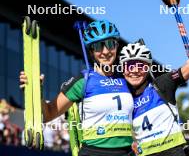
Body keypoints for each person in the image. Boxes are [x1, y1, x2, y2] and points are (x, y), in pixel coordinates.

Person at [20, 20, 135, 156]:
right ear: (91, 52)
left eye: (110, 44)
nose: (105, 51)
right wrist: (36, 91)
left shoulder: (127, 79)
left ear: (116, 46)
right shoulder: (82, 81)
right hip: (94, 152)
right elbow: (49, 114)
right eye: (98, 46)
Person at [119, 8, 189, 156]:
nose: (134, 70)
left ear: (147, 67)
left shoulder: (162, 84)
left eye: (140, 65)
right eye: (129, 65)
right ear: (123, 69)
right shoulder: (124, 96)